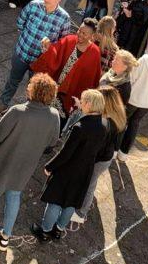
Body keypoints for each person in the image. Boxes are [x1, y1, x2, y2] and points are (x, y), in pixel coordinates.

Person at [0, 73, 62, 250]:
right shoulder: (54, 116)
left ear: (32, 90)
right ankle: (5, 237)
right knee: (14, 197)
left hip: (3, 161)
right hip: (25, 165)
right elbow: (52, 142)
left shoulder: (17, 111)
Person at [32, 89, 112, 242]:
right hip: (85, 170)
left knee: (55, 200)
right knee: (71, 202)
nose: (80, 103)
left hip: (68, 169)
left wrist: (50, 166)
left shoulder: (80, 127)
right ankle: (59, 230)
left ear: (89, 104)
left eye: (82, 101)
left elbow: (66, 153)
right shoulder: (104, 125)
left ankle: (45, 231)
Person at [72, 53, 135, 223]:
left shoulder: (109, 120)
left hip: (102, 155)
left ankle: (81, 213)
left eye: (116, 60)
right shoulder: (111, 76)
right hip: (102, 151)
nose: (112, 61)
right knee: (87, 179)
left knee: (90, 182)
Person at [0, 0, 71, 110]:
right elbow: (20, 22)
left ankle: (28, 112)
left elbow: (62, 43)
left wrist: (50, 46)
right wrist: (26, 37)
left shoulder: (64, 18)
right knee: (12, 81)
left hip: (40, 61)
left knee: (34, 89)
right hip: (22, 53)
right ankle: (2, 104)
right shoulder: (33, 5)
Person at [31, 18, 102, 118]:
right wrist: (48, 46)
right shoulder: (69, 40)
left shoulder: (95, 53)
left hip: (72, 94)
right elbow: (55, 52)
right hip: (54, 87)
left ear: (92, 36)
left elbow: (91, 78)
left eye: (84, 33)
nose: (80, 34)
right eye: (79, 30)